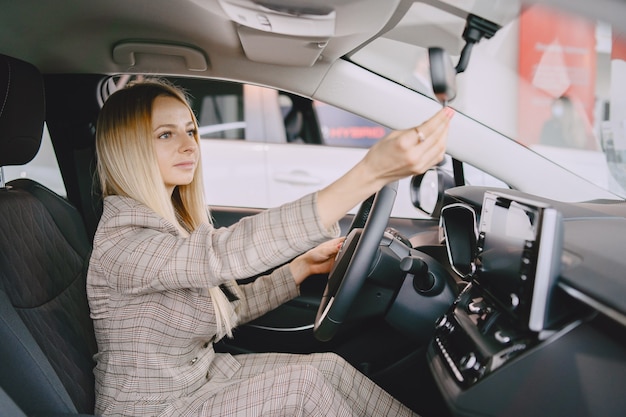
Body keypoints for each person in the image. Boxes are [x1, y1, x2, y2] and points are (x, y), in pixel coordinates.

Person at [87, 78, 454, 417]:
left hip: (198, 379)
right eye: (165, 135)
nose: (189, 145)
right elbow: (222, 254)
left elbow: (222, 311)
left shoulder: (169, 224)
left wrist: (301, 269)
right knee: (303, 387)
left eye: (190, 130)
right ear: (129, 148)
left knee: (326, 366)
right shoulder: (124, 243)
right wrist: (369, 173)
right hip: (154, 409)